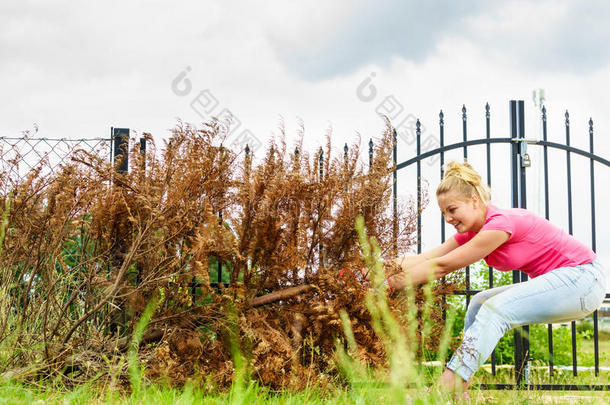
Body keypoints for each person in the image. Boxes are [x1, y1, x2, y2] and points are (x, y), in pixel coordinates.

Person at [384, 161, 607, 394]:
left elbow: (442, 266)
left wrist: (389, 284)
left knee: (495, 309)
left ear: (474, 201)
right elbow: (427, 258)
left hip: (583, 279)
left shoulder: (500, 223)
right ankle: (460, 389)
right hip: (569, 281)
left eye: (452, 210)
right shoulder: (473, 231)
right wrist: (371, 270)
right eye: (443, 213)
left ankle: (447, 388)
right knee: (479, 303)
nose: (448, 218)